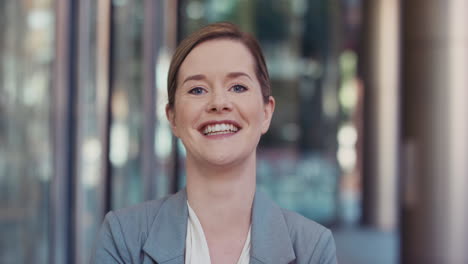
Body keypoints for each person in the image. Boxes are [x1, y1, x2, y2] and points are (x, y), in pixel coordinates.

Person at [92, 22, 337, 264]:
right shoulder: (123, 237)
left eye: (238, 87)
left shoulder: (312, 248)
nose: (219, 103)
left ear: (266, 113)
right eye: (197, 90)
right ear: (173, 117)